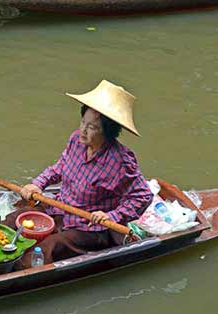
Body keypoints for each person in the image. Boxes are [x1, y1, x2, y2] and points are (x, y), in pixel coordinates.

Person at [15, 80, 153, 268]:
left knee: (48, 247)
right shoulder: (76, 140)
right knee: (17, 221)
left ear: (108, 132)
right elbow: (60, 167)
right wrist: (38, 184)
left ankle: (15, 277)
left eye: (92, 127)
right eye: (83, 122)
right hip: (60, 209)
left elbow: (143, 196)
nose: (83, 130)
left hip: (90, 228)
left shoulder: (120, 160)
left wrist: (111, 216)